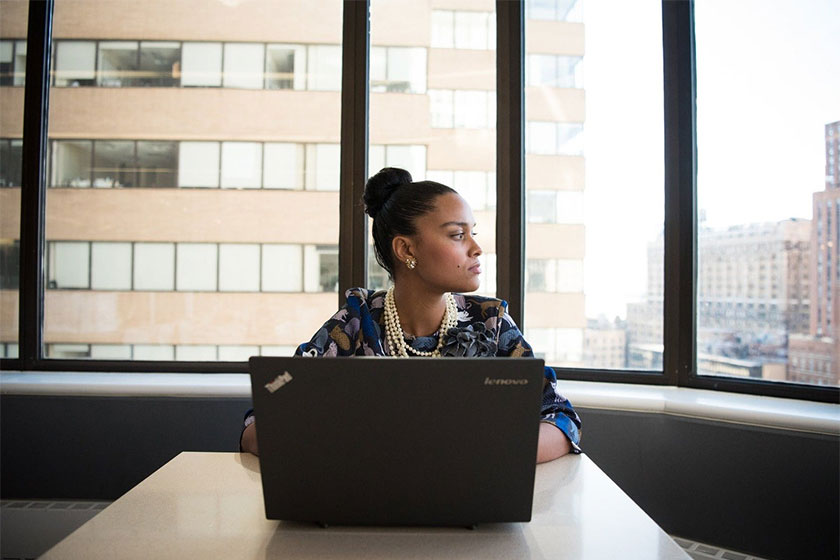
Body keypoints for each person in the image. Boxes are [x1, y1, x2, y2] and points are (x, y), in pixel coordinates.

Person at [240, 167, 582, 462]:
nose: (476, 248)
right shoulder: (356, 321)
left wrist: (485, 453)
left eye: (472, 233)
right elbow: (262, 418)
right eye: (457, 235)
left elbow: (561, 418)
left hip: (471, 510)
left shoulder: (491, 322)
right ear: (406, 249)